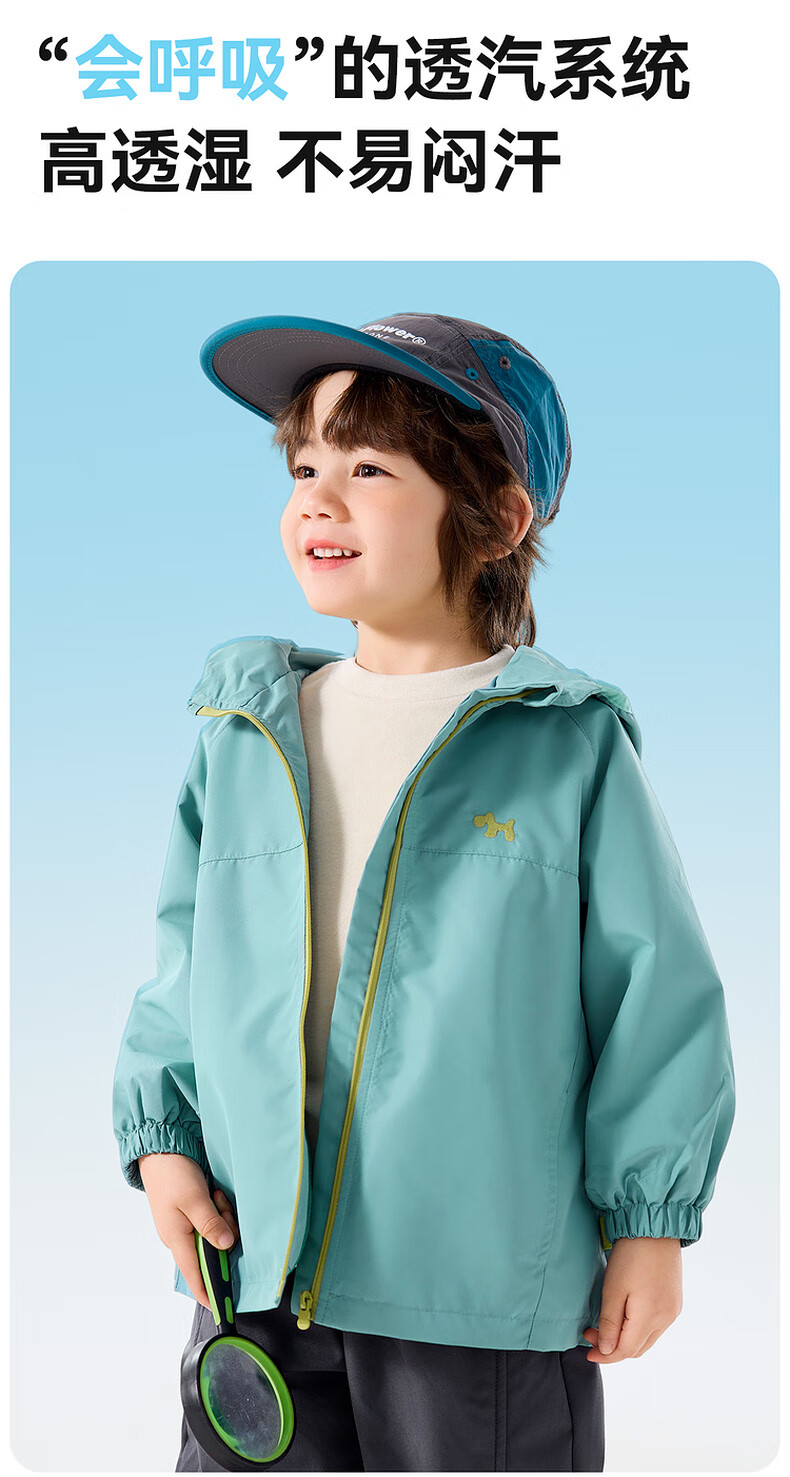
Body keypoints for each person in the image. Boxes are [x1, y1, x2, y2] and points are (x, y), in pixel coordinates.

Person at [112, 312, 736, 1472]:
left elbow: (654, 995)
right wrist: (163, 1141)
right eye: (303, 467)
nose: (318, 499)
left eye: (367, 469)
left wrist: (650, 1222)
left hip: (472, 1294)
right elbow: (184, 962)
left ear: (497, 515)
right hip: (258, 1272)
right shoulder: (246, 731)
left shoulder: (565, 744)